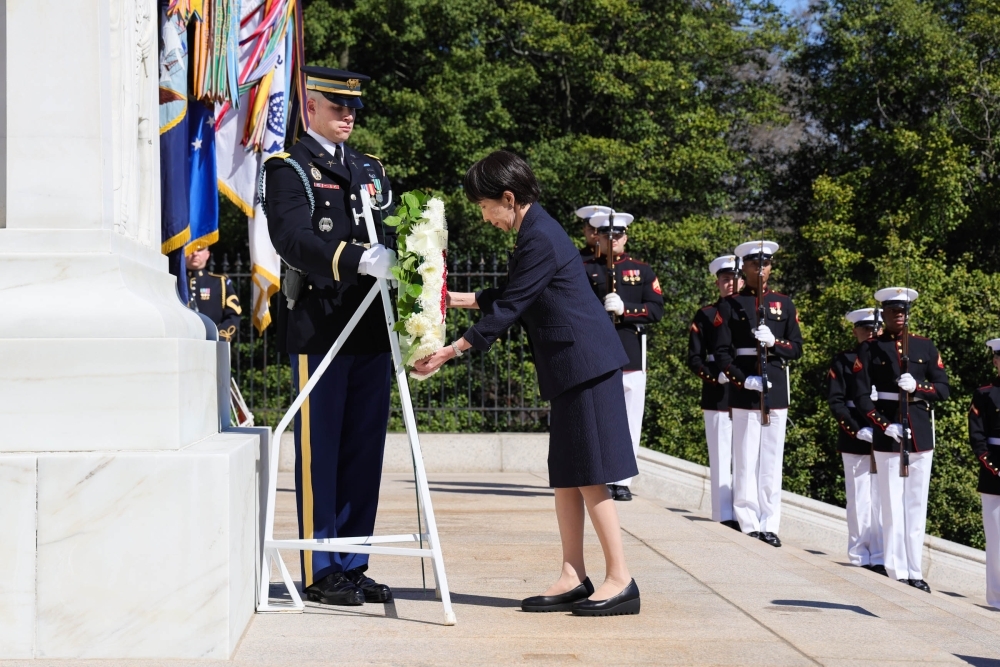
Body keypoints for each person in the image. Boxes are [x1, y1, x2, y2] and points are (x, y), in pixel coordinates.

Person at [414, 151, 640, 616]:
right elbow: (516, 294)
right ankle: (573, 573)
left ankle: (621, 578)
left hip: (586, 364)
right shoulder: (534, 231)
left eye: (484, 207)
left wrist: (450, 351)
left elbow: (512, 306)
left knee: (592, 475)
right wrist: (454, 298)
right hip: (569, 366)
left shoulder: (539, 236)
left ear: (509, 198)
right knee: (567, 477)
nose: (484, 217)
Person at [260, 66, 397, 607]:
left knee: (364, 451)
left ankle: (353, 561)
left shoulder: (371, 169)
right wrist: (355, 258)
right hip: (321, 326)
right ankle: (322, 569)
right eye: (337, 106)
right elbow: (291, 238)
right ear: (309, 106)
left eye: (353, 108)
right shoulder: (288, 168)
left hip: (369, 327)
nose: (348, 116)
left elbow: (389, 232)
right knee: (321, 453)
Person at [851, 287, 949, 592]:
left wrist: (917, 387)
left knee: (916, 506)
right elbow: (860, 395)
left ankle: (914, 569)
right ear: (884, 314)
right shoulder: (870, 348)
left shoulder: (925, 346)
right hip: (889, 432)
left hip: (920, 431)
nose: (899, 314)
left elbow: (943, 389)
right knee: (892, 506)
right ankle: (896, 570)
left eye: (903, 309)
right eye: (893, 310)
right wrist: (882, 425)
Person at [710, 240, 802, 548]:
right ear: (744, 268)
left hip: (775, 388)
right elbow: (722, 353)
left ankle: (769, 523)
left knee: (771, 461)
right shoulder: (730, 305)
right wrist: (743, 380)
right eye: (754, 264)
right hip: (746, 388)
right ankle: (748, 520)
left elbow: (796, 348)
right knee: (746, 457)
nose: (760, 269)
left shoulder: (783, 304)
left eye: (765, 264)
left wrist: (775, 343)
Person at [581, 211, 664, 501]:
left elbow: (656, 309)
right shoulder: (584, 268)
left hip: (629, 353)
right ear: (597, 237)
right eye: (606, 235)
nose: (611, 240)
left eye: (617, 235)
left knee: (630, 419)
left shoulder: (641, 270)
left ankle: (622, 479)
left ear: (625, 237)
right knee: (601, 418)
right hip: (597, 353)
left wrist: (627, 309)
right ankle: (601, 474)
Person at [828, 308, 885, 575]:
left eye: (876, 329)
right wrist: (856, 429)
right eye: (865, 329)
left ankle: (882, 555)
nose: (871, 333)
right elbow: (837, 402)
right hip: (856, 435)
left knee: (883, 500)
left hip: (886, 436)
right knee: (860, 498)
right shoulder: (844, 360)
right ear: (855, 331)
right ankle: (860, 554)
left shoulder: (890, 359)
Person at [688, 255, 742, 529]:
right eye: (724, 279)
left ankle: (745, 513)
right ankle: (723, 514)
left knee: (747, 457)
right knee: (721, 454)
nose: (730, 284)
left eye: (735, 279)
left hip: (748, 392)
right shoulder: (707, 314)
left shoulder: (753, 312)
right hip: (718, 391)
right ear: (717, 283)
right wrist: (714, 377)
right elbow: (694, 358)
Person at [970, 338, 1000, 609]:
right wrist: (994, 466)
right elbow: (977, 437)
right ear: (995, 361)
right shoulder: (985, 394)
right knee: (996, 540)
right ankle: (996, 598)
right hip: (995, 474)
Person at [184, 245, 242, 341]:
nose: (194, 253)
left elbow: (233, 314)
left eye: (199, 250)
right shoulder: (174, 280)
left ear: (207, 254)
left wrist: (219, 337)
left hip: (211, 345)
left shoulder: (220, 282)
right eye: (191, 249)